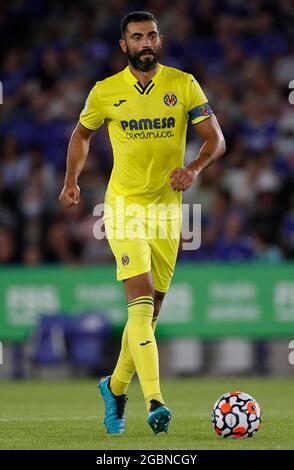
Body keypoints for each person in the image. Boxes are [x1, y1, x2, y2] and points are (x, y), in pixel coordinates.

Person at [59, 11, 225, 435]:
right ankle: (155, 401)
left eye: (151, 35)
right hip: (125, 208)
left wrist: (194, 168)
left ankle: (113, 388)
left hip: (169, 212)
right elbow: (82, 134)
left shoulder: (183, 84)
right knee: (140, 303)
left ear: (160, 40)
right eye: (137, 37)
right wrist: (71, 181)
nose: (145, 42)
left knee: (150, 316)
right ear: (124, 45)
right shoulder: (105, 92)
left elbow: (215, 139)